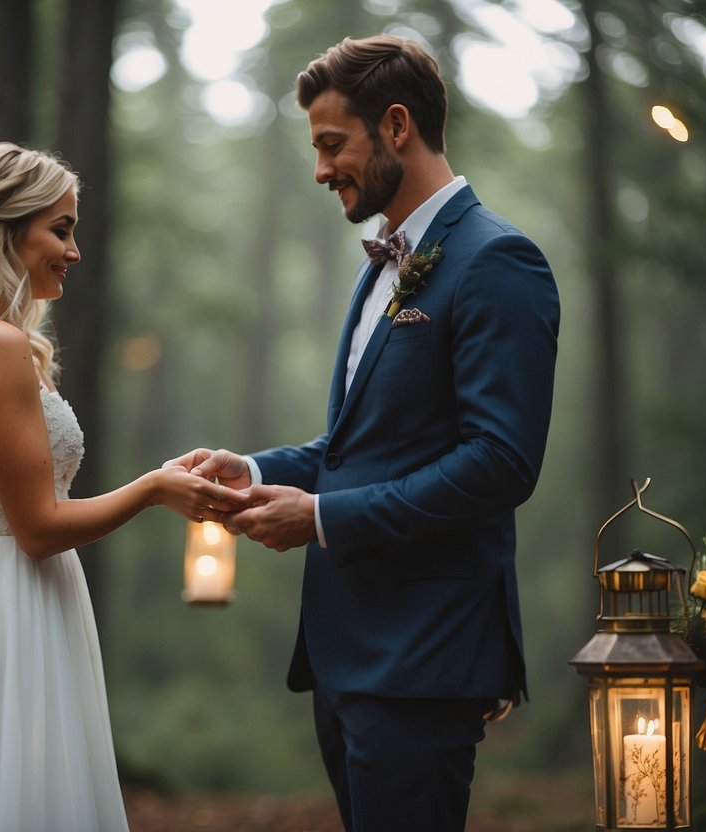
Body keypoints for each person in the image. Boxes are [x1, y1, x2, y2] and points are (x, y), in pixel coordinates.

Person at [166, 35, 560, 832]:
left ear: (397, 125)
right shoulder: (378, 266)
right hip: (346, 651)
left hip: (424, 655)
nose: (320, 170)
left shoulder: (497, 261)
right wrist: (248, 467)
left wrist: (319, 518)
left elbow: (500, 463)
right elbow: (358, 448)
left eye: (331, 144)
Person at [0, 142, 245, 831]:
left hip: (12, 595)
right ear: (6, 229)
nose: (74, 250)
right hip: (7, 607)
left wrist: (159, 480)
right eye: (60, 229)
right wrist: (152, 488)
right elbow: (34, 527)